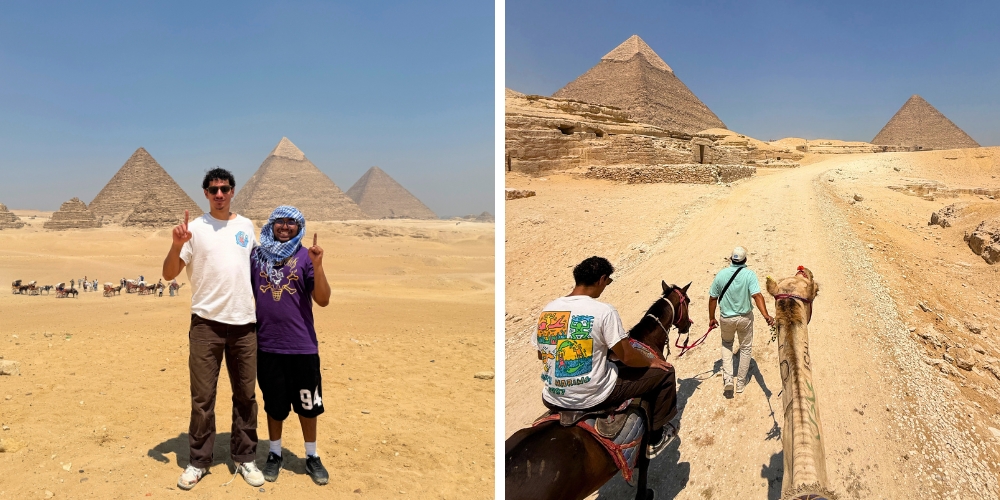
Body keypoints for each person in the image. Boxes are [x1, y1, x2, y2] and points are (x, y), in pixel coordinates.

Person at [162, 168, 263, 490]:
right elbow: (168, 275)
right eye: (213, 189)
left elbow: (262, 268)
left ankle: (245, 457)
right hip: (206, 324)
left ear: (233, 191)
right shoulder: (193, 229)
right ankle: (198, 461)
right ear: (205, 193)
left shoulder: (247, 226)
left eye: (225, 188)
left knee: (246, 395)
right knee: (203, 398)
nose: (219, 194)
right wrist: (176, 245)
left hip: (245, 324)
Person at [535, 256, 678, 458]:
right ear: (601, 279)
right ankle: (656, 437)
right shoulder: (603, 311)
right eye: (607, 282)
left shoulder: (548, 310)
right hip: (593, 396)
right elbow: (628, 357)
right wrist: (651, 361)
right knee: (666, 373)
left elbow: (542, 353)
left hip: (552, 396)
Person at [250, 206, 331, 485]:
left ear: (300, 227)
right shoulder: (256, 257)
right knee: (274, 404)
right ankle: (274, 453)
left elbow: (323, 299)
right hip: (268, 345)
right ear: (271, 225)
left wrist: (318, 266)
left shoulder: (306, 256)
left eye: (291, 223)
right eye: (279, 222)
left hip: (302, 346)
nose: (285, 227)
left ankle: (311, 455)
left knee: (309, 404)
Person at [708, 246, 775, 395]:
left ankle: (728, 379)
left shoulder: (721, 275)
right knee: (745, 349)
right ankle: (740, 384)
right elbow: (757, 296)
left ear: (730, 259)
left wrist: (711, 318)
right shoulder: (749, 275)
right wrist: (766, 316)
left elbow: (713, 297)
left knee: (727, 345)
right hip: (745, 318)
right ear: (745, 260)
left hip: (726, 318)